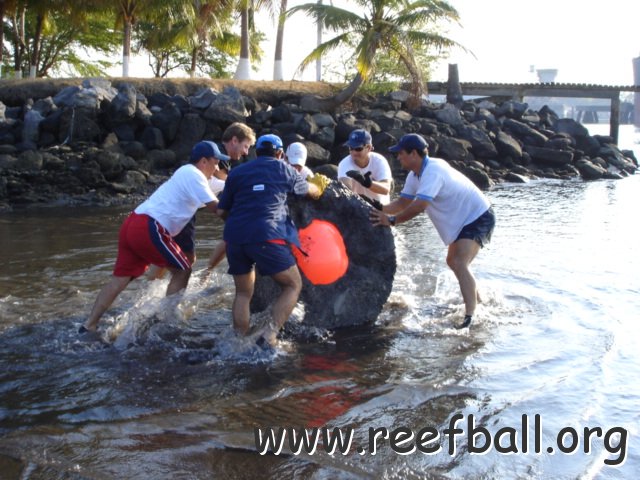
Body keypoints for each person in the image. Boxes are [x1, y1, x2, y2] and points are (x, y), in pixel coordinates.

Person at [80, 141, 223, 334]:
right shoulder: (193, 174)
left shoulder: (193, 176)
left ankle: (89, 325)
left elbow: (227, 184)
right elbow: (216, 208)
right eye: (216, 162)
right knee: (183, 270)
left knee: (119, 280)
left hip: (133, 223)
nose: (218, 168)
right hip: (150, 226)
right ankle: (168, 321)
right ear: (204, 161)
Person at [369, 133, 495, 329]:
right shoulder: (414, 175)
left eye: (400, 153)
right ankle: (478, 302)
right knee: (453, 261)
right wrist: (376, 207)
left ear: (413, 154)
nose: (398, 157)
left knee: (459, 261)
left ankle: (470, 316)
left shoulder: (433, 172)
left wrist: (391, 221)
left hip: (478, 216)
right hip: (463, 220)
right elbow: (402, 203)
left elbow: (419, 206)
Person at [216, 134, 329, 347]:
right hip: (268, 235)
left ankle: (238, 342)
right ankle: (269, 335)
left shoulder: (237, 172)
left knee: (242, 293)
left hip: (235, 237)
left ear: (256, 152)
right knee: (293, 285)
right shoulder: (283, 169)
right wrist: (318, 185)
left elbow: (221, 210)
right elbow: (310, 192)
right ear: (280, 154)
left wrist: (239, 226)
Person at [337, 128, 392, 206]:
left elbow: (386, 189)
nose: (354, 152)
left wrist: (367, 183)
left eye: (358, 149)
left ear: (369, 148)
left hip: (381, 208)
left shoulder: (379, 161)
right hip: (357, 208)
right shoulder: (344, 164)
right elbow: (344, 188)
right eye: (351, 148)